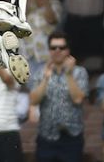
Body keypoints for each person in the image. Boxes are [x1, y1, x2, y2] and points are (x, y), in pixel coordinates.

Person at [31, 33, 90, 162]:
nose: (57, 51)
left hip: (71, 138)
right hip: (46, 137)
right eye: (53, 48)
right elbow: (34, 100)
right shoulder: (40, 72)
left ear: (68, 50)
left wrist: (68, 74)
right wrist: (46, 79)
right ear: (49, 50)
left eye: (61, 47)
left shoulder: (80, 72)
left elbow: (78, 99)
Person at [18, 0, 65, 81]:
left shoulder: (55, 4)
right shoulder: (26, 3)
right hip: (26, 56)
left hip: (46, 57)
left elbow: (51, 19)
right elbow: (20, 19)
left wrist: (46, 0)